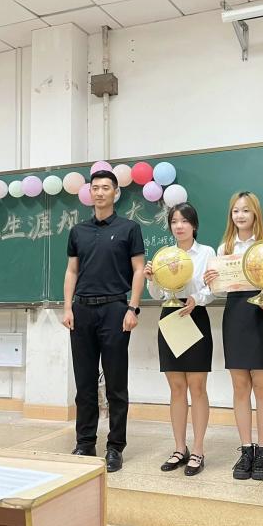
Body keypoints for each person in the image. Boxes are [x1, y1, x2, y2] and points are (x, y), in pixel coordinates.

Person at [62, 169, 145, 473]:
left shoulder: (129, 228)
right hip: (82, 311)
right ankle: (85, 442)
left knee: (115, 384)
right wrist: (67, 307)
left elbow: (139, 269)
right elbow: (72, 271)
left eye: (105, 188)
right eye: (95, 187)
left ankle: (115, 447)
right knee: (84, 383)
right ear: (89, 192)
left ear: (115, 193)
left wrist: (132, 308)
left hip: (115, 310)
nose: (99, 192)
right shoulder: (78, 231)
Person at [204, 191, 263, 481]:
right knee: (240, 386)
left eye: (245, 210)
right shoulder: (225, 247)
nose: (240, 215)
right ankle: (245, 450)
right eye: (235, 211)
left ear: (256, 214)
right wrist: (211, 282)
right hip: (235, 315)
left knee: (262, 386)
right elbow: (219, 291)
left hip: (260, 315)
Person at [144, 202, 215, 476]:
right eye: (174, 221)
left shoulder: (207, 252)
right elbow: (157, 295)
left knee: (197, 387)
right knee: (176, 388)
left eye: (184, 221)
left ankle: (198, 449)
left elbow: (214, 287)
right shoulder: (165, 255)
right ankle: (179, 448)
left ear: (194, 225)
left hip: (194, 315)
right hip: (170, 316)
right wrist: (151, 279)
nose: (179, 226)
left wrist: (198, 298)